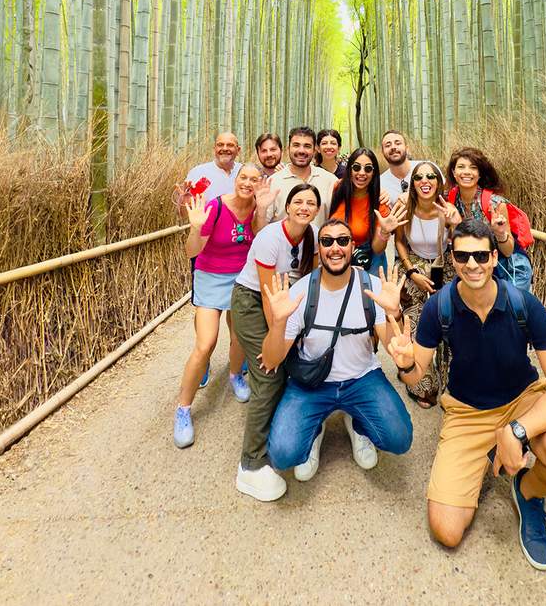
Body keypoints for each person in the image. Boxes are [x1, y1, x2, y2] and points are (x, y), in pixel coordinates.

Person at [387, 218, 546, 570]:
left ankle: (528, 489)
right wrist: (405, 365)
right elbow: (417, 374)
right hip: (467, 412)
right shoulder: (440, 308)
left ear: (495, 258)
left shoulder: (524, 305)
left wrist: (517, 430)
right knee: (446, 531)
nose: (472, 265)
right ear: (451, 258)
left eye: (481, 256)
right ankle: (487, 455)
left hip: (523, 401)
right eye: (463, 257)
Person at [260, 220, 412, 482]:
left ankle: (358, 424)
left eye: (343, 240)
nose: (335, 248)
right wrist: (279, 322)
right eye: (327, 241)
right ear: (319, 248)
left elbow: (390, 344)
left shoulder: (372, 287)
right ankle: (314, 429)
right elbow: (273, 358)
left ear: (352, 246)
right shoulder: (301, 292)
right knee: (283, 454)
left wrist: (393, 315)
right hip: (312, 383)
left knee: (399, 439)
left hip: (361, 378)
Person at [229, 183, 322, 501]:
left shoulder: (312, 234)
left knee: (287, 371)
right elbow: (270, 300)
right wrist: (276, 344)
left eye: (311, 202)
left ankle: (279, 435)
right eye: (298, 201)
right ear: (287, 205)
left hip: (284, 304)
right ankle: (250, 465)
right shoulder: (270, 237)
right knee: (268, 374)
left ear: (317, 209)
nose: (304, 207)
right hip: (253, 303)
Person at [173, 165, 262, 448]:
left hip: (242, 278)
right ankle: (183, 409)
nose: (247, 183)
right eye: (243, 178)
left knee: (239, 337)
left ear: (260, 184)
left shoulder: (259, 208)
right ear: (235, 181)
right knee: (205, 343)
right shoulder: (215, 206)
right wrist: (196, 227)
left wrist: (263, 209)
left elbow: (260, 242)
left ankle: (236, 375)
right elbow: (192, 251)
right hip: (210, 277)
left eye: (254, 179)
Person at [391, 161, 459, 408]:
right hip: (414, 264)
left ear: (439, 182)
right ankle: (422, 383)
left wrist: (455, 222)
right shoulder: (405, 208)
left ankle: (453, 382)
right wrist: (411, 271)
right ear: (412, 184)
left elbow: (460, 241)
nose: (425, 181)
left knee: (451, 320)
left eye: (431, 176)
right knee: (415, 319)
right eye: (419, 177)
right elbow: (399, 242)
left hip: (444, 263)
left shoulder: (447, 209)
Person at [444, 147, 536, 292]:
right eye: (461, 167)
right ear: (454, 173)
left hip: (509, 271)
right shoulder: (452, 199)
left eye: (473, 168)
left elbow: (508, 251)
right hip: (480, 267)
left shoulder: (495, 203)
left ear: (479, 174)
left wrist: (499, 233)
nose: (467, 172)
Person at [329, 148, 405, 274]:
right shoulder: (337, 188)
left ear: (374, 173)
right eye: (356, 167)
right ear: (349, 169)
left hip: (368, 260)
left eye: (368, 169)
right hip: (336, 254)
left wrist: (384, 232)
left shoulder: (380, 202)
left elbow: (377, 249)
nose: (362, 173)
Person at [265, 126, 340, 229]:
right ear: (288, 149)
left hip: (318, 244)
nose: (301, 151)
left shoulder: (330, 181)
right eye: (296, 145)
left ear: (314, 150)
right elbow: (260, 228)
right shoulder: (273, 182)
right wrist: (260, 208)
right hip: (283, 244)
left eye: (307, 146)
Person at [176, 132, 244, 204]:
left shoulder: (244, 172)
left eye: (230, 145)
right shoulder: (200, 173)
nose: (224, 148)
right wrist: (185, 202)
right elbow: (185, 213)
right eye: (220, 145)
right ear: (214, 149)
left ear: (238, 150)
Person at [378, 130, 421, 202]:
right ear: (382, 152)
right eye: (388, 145)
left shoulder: (427, 168)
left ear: (407, 148)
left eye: (398, 143)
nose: (393, 147)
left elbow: (444, 196)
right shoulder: (380, 184)